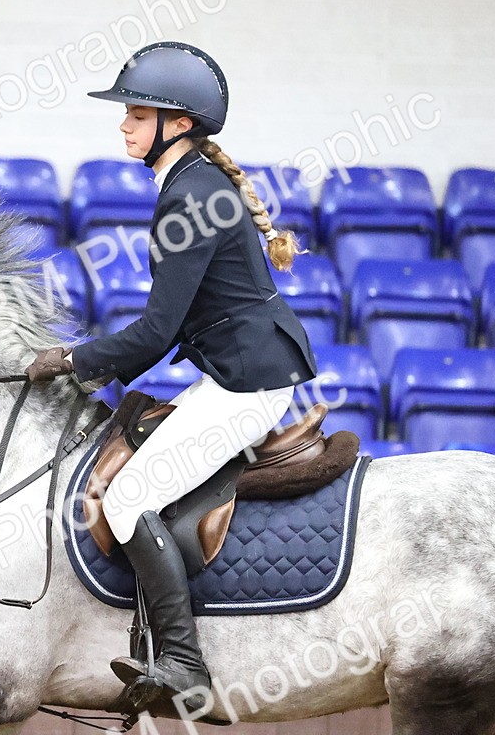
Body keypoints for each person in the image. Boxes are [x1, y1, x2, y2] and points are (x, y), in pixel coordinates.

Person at [25, 41, 318, 708]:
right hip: (237, 370)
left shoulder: (190, 197)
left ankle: (185, 663)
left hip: (249, 383)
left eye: (137, 115)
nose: (124, 125)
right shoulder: (192, 185)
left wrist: (71, 361)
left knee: (128, 500)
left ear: (178, 123)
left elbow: (157, 333)